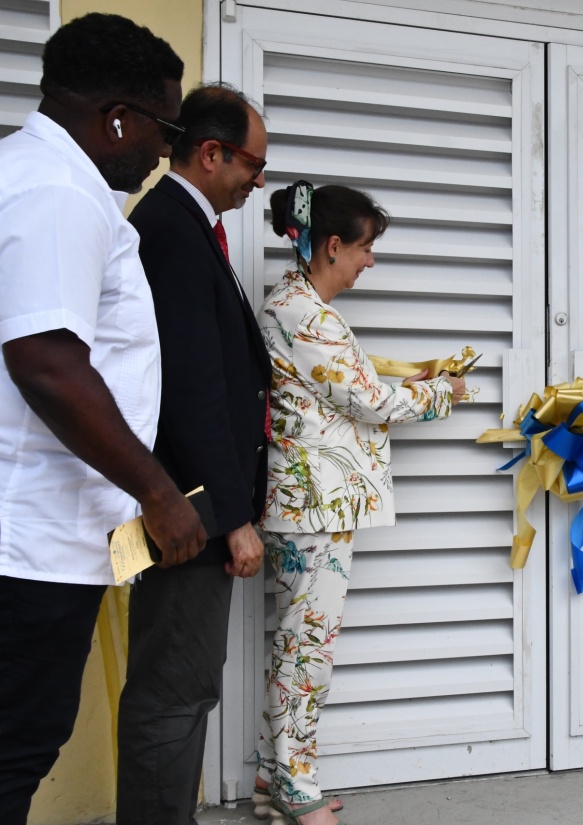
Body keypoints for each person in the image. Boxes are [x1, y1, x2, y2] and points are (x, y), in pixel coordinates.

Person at [0, 14, 207, 825]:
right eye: (165, 127)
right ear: (119, 117)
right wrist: (159, 493)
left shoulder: (26, 172)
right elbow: (48, 361)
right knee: (17, 744)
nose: (164, 151)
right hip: (31, 537)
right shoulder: (59, 190)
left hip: (39, 531)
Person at [255, 182, 467, 825]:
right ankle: (295, 786)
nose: (370, 261)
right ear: (334, 244)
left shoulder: (300, 308)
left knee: (301, 644)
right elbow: (370, 402)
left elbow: (352, 386)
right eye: (366, 247)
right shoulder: (304, 313)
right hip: (313, 507)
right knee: (306, 650)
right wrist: (445, 393)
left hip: (316, 504)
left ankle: (275, 779)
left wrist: (411, 379)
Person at [115, 83, 272, 825]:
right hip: (191, 509)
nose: (259, 181)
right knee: (173, 689)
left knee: (185, 684)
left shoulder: (188, 225)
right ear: (210, 154)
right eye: (253, 163)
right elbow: (191, 387)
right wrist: (232, 516)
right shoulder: (172, 230)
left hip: (199, 504)